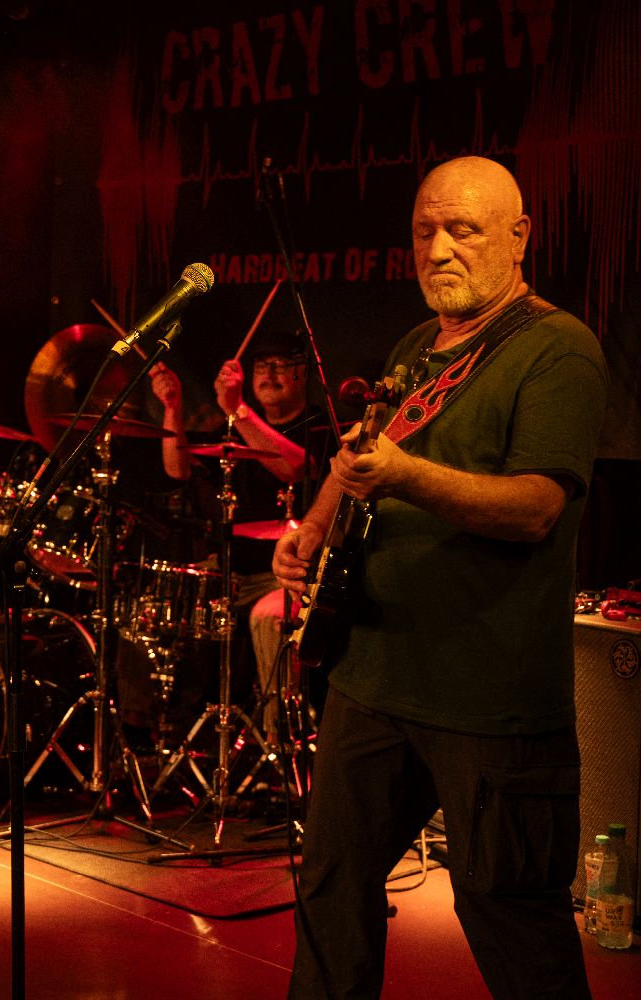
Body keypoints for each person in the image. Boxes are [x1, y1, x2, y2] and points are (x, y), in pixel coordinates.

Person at [272, 156, 605, 997]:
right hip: (373, 676)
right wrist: (313, 527)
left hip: (487, 696)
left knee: (508, 913)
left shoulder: (558, 349)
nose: (439, 250)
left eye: (463, 230)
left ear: (518, 237)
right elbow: (364, 448)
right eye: (425, 231)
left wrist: (405, 476)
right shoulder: (417, 346)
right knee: (329, 885)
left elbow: (536, 508)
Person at [211, 334, 322, 743]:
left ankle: (281, 744)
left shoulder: (321, 424)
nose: (268, 375)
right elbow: (176, 469)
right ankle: (158, 730)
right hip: (234, 572)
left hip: (288, 578)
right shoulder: (232, 427)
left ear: (302, 373)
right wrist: (171, 404)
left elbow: (295, 467)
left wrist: (237, 409)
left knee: (268, 617)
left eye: (280, 365)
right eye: (260, 367)